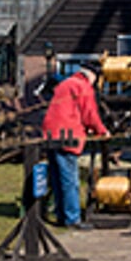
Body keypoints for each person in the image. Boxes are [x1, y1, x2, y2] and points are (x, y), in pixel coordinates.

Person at [41, 61, 110, 229]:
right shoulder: (83, 86)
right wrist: (102, 131)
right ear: (92, 76)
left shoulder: (65, 84)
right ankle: (72, 219)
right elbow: (89, 114)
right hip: (67, 136)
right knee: (70, 180)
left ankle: (61, 215)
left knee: (57, 179)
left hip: (50, 135)